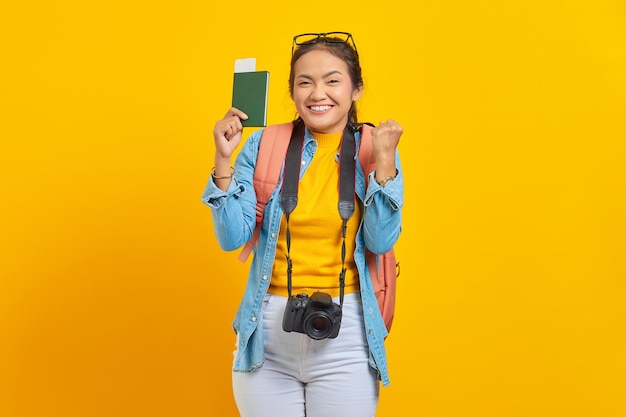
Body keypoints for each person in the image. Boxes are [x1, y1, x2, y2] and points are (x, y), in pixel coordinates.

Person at [202, 31, 404, 417]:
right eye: (305, 82)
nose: (317, 94)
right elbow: (232, 238)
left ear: (356, 89)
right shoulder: (264, 145)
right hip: (266, 334)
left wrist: (384, 165)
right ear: (292, 91)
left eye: (332, 80)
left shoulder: (376, 147)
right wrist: (223, 161)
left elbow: (379, 241)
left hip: (347, 336)